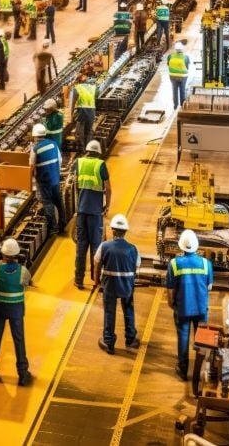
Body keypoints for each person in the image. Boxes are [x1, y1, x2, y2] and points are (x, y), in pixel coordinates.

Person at [166, 229, 214, 381]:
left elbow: (170, 288)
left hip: (183, 308)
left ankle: (182, 369)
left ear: (181, 246)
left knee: (183, 337)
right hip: (201, 308)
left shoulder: (174, 264)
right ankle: (202, 372)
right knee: (202, 339)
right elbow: (209, 287)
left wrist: (171, 303)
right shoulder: (206, 264)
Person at [0, 238, 34, 386]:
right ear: (17, 255)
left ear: (3, 254)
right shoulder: (23, 271)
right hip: (16, 310)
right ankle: (22, 373)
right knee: (19, 340)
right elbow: (27, 283)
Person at [93, 214, 141, 353]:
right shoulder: (133, 249)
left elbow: (96, 264)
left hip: (110, 286)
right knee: (128, 311)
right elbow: (136, 267)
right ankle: (131, 341)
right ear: (125, 232)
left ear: (113, 230)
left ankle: (108, 342)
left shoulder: (104, 246)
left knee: (109, 312)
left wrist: (97, 282)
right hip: (127, 286)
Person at [73, 140, 110, 289]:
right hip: (95, 213)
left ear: (87, 151)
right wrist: (107, 205)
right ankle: (96, 280)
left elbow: (75, 184)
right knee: (96, 247)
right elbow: (108, 188)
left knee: (81, 246)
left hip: (82, 211)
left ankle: (78, 280)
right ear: (98, 152)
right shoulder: (100, 165)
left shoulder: (79, 163)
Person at [31, 124, 65, 235]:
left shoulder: (35, 149)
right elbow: (59, 160)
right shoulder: (54, 144)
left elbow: (31, 166)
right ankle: (63, 223)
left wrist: (33, 181)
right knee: (59, 202)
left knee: (48, 203)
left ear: (35, 136)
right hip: (55, 178)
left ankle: (53, 228)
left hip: (44, 181)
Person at [69, 75, 97, 149]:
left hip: (82, 110)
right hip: (92, 111)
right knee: (89, 130)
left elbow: (72, 103)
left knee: (80, 130)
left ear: (78, 81)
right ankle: (89, 149)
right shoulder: (92, 87)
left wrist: (71, 115)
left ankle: (82, 149)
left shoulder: (77, 88)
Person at [168, 42, 190, 110]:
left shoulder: (170, 56)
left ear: (175, 49)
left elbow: (168, 64)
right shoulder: (186, 57)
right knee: (182, 90)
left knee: (174, 91)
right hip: (183, 76)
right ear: (182, 49)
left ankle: (175, 105)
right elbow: (187, 67)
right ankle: (182, 104)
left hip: (172, 76)